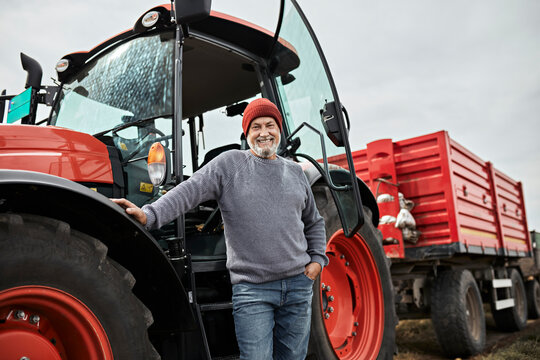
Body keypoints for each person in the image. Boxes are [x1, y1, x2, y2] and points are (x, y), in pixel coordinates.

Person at [112, 98, 328, 360]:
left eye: (270, 125)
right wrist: (150, 214)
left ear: (278, 130)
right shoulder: (230, 165)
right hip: (253, 290)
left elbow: (313, 221)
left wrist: (317, 260)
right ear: (246, 133)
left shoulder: (296, 172)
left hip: (297, 286)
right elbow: (188, 191)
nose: (264, 133)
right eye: (256, 127)